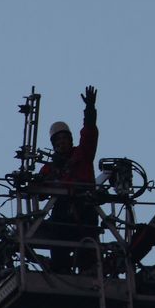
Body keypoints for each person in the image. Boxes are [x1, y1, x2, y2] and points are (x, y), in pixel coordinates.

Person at [38, 85, 99, 274]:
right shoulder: (49, 168)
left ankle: (88, 271)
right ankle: (60, 271)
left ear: (71, 140)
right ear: (53, 146)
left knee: (87, 255)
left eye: (64, 139)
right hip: (62, 214)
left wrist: (89, 109)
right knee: (59, 248)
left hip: (85, 210)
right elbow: (39, 190)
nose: (62, 142)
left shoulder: (82, 155)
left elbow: (89, 133)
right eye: (58, 141)